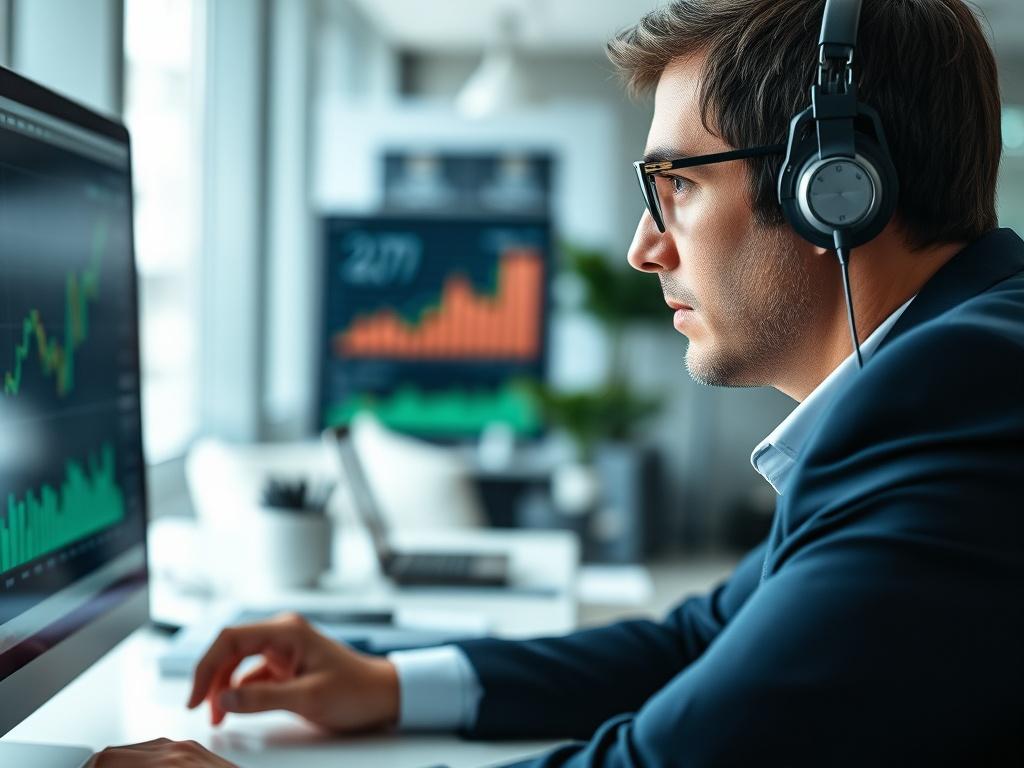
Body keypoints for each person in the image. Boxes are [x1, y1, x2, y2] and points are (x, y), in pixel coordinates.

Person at [91, 0, 1024, 765]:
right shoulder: (947, 374)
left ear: (838, 184)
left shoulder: (959, 400)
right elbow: (703, 642)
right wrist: (388, 682)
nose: (643, 246)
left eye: (678, 185)